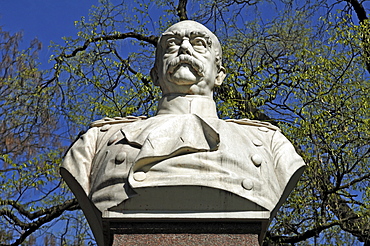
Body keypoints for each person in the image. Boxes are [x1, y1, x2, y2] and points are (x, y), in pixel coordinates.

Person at [61, 20, 305, 226]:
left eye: (199, 43)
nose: (184, 49)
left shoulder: (269, 142)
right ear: (155, 74)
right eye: (171, 44)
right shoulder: (99, 140)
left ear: (219, 75)